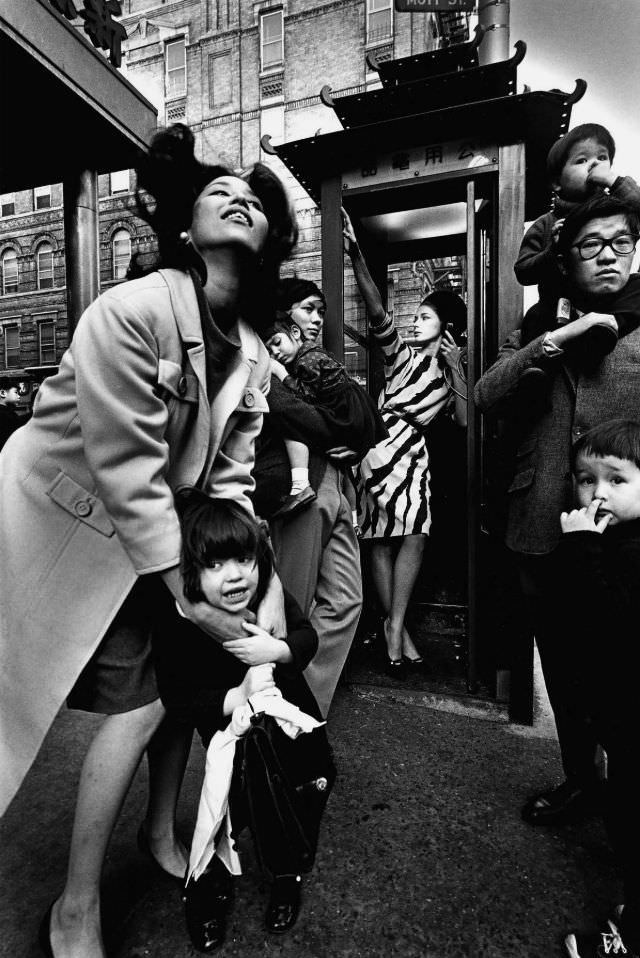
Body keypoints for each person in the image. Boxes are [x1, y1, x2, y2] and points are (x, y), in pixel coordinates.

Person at [0, 122, 297, 958]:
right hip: (64, 526)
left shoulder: (253, 353)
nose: (238, 194)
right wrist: (196, 599)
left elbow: (231, 481)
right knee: (136, 707)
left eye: (253, 197)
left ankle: (160, 838)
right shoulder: (132, 309)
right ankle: (74, 906)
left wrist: (254, 577)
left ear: (269, 238)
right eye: (216, 191)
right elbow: (131, 474)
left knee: (178, 689)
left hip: (156, 537)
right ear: (179, 229)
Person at [475, 194, 640, 828]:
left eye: (619, 243)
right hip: (545, 522)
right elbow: (488, 394)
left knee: (624, 674)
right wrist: (555, 341)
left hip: (626, 542)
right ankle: (579, 779)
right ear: (566, 258)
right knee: (565, 669)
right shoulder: (542, 323)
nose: (607, 256)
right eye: (592, 245)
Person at [152, 490, 333, 950]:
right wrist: (236, 696)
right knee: (224, 814)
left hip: (292, 733)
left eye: (243, 560)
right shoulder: (182, 624)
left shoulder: (266, 604)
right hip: (228, 743)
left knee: (292, 805)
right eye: (214, 565)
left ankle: (287, 876)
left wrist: (281, 650)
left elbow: (307, 636)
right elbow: (178, 693)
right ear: (187, 574)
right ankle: (209, 891)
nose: (234, 576)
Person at [342, 208, 467, 678]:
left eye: (425, 316)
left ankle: (396, 628)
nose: (415, 322)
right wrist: (355, 253)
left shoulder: (451, 368)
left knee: (414, 532)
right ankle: (398, 631)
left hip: (414, 454)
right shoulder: (402, 356)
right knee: (378, 537)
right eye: (415, 315)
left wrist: (456, 370)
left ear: (447, 324)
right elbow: (376, 311)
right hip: (381, 445)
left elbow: (460, 421)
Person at [253, 275, 379, 717]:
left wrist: (354, 435)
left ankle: (297, 704)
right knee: (291, 602)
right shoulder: (266, 355)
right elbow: (303, 417)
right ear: (285, 314)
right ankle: (274, 712)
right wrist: (345, 432)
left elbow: (356, 418)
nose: (317, 319)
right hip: (299, 488)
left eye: (321, 311)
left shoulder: (314, 362)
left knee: (346, 601)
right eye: (308, 309)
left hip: (333, 484)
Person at [556, 420, 640, 958]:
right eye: (588, 480)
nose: (599, 492)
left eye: (617, 480)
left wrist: (583, 549)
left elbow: (607, 622)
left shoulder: (623, 551)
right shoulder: (618, 541)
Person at [262, 310, 386, 517]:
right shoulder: (313, 354)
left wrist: (280, 373)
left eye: (277, 342)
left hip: (343, 409)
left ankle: (300, 485)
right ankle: (353, 516)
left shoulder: (306, 360)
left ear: (295, 332)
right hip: (350, 408)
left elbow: (305, 396)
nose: (275, 352)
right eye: (269, 350)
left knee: (294, 428)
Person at [515, 123, 640, 309]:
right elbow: (523, 272)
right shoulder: (546, 224)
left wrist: (615, 182)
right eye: (582, 160)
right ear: (557, 182)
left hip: (613, 303)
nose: (595, 164)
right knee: (536, 316)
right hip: (561, 307)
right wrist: (552, 250)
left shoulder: (617, 211)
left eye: (602, 157)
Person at [0, 378, 23, 450]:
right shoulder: (4, 415)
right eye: (16, 392)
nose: (19, 396)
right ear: (3, 393)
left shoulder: (7, 413)